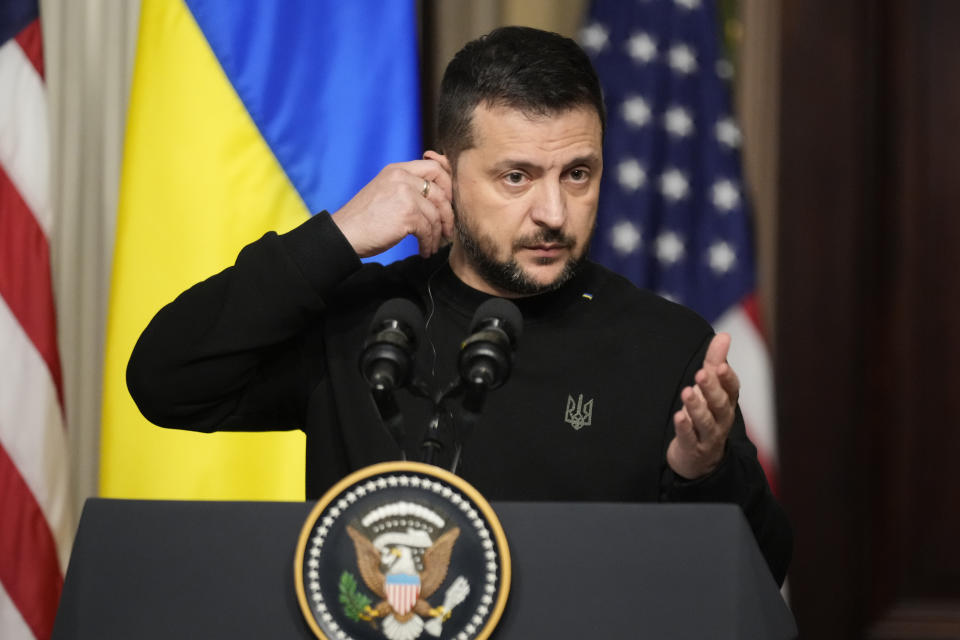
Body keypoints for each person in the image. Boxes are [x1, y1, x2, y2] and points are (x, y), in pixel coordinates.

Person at [127, 26, 791, 584]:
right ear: (444, 171)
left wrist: (699, 475)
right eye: (516, 177)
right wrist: (337, 238)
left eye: (578, 174)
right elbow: (166, 382)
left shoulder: (664, 343)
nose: (554, 213)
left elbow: (764, 575)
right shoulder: (362, 322)